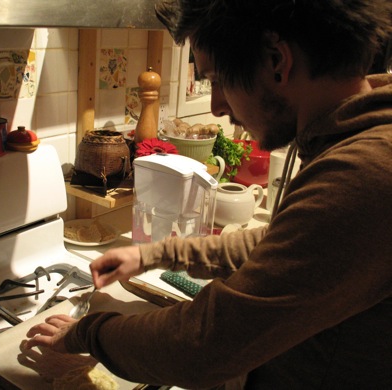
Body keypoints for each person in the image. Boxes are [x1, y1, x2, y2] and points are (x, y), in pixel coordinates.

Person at [26, 1, 392, 388]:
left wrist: (86, 333)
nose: (217, 106)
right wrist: (154, 254)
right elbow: (278, 246)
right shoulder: (358, 141)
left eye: (217, 79)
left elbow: (203, 344)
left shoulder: (364, 173)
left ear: (276, 60)